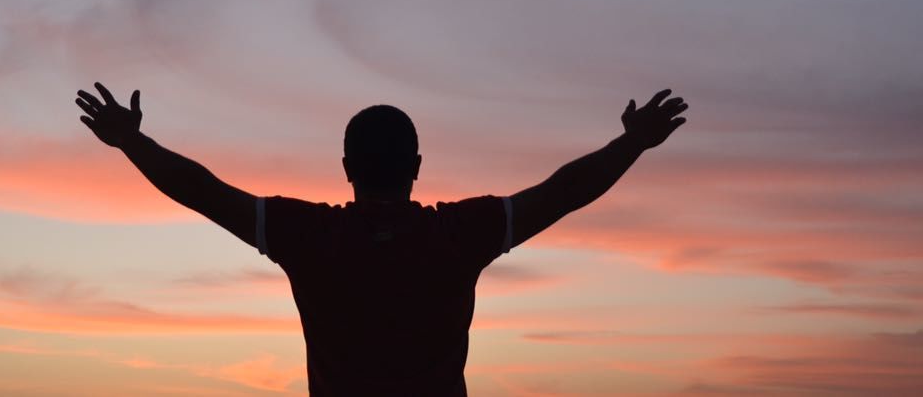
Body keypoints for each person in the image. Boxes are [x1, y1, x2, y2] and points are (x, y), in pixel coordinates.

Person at [75, 82, 687, 396]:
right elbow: (562, 192)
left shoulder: (309, 236)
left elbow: (203, 190)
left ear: (346, 165)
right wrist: (632, 143)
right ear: (417, 165)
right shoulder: (458, 234)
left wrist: (131, 141)